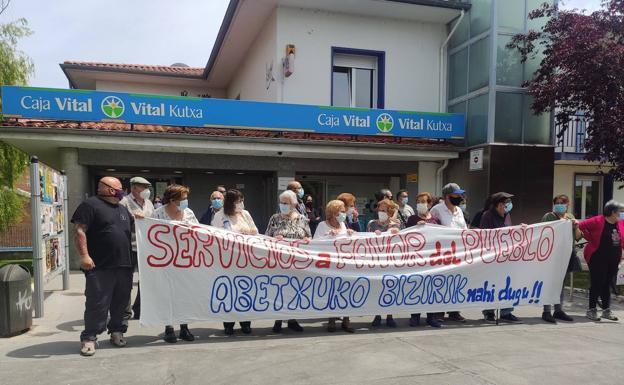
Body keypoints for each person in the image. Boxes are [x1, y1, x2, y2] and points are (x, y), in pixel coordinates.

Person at [71, 176, 134, 356]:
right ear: (107, 188)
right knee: (97, 303)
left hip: (124, 265)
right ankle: (89, 337)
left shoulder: (122, 209)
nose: (121, 191)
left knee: (120, 303)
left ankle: (116, 331)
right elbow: (80, 230)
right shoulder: (90, 205)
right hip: (99, 266)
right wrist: (84, 255)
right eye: (119, 188)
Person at [152, 184, 198, 343]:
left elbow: (198, 231)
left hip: (185, 261)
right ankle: (169, 328)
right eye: (183, 199)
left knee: (184, 295)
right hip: (165, 261)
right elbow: (150, 234)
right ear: (172, 200)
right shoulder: (158, 213)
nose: (186, 202)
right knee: (168, 295)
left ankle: (184, 328)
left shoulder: (189, 213)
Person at [212, 189, 258, 335]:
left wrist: (250, 232)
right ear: (230, 203)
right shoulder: (220, 216)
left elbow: (255, 231)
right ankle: (228, 323)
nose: (241, 204)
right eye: (238, 201)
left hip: (246, 260)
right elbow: (215, 236)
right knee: (229, 291)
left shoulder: (245, 214)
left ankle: (245, 322)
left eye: (242, 200)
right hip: (228, 260)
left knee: (245, 291)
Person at [266, 190, 311, 333]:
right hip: (279, 262)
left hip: (297, 263)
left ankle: (292, 320)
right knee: (279, 291)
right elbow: (266, 237)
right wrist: (275, 238)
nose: (282, 205)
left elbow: (309, 237)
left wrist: (306, 240)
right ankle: (278, 320)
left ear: (293, 204)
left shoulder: (302, 219)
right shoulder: (275, 218)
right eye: (281, 202)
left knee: (293, 291)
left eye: (286, 203)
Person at [312, 200, 356, 332]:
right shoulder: (322, 225)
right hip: (329, 265)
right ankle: (331, 319)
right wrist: (327, 236)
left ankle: (347, 319)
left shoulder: (343, 224)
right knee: (331, 290)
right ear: (332, 213)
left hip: (343, 264)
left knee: (346, 290)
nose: (343, 214)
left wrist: (350, 234)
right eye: (341, 211)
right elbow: (315, 243)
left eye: (344, 211)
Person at [540, 194, 583, 323]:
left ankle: (558, 310)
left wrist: (575, 226)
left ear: (567, 204)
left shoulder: (570, 218)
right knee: (550, 283)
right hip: (552, 255)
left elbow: (578, 237)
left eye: (562, 203)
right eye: (557, 203)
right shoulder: (548, 216)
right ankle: (546, 311)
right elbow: (542, 232)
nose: (559, 205)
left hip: (565, 255)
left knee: (560, 283)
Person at [579, 200, 624, 321]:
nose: (621, 214)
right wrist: (589, 237)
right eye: (619, 212)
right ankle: (591, 310)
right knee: (597, 282)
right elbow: (581, 226)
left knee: (607, 283)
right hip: (597, 258)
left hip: (613, 259)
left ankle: (606, 310)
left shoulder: (620, 224)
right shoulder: (598, 220)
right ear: (612, 212)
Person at [480, 192, 521, 323]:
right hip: (492, 257)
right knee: (491, 284)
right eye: (505, 203)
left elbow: (509, 232)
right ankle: (489, 312)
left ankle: (506, 312)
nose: (508, 206)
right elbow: (485, 236)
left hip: (506, 257)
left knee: (507, 284)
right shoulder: (487, 216)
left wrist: (520, 229)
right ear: (498, 205)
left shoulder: (507, 216)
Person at [429, 183, 467, 323]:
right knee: (441, 282)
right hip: (441, 254)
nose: (460, 197)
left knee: (456, 282)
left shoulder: (459, 211)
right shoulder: (437, 210)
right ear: (447, 196)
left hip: (457, 253)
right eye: (456, 195)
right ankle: (438, 312)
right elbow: (430, 230)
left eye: (460, 194)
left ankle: (454, 311)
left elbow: (464, 230)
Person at [119, 176, 154, 321]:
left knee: (145, 281)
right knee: (126, 281)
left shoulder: (149, 203)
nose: (146, 190)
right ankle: (124, 312)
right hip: (129, 246)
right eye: (143, 187)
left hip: (145, 247)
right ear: (134, 187)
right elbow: (120, 222)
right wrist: (133, 218)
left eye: (147, 187)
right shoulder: (124, 202)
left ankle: (139, 309)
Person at [405, 192, 442, 328]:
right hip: (417, 259)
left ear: (430, 204)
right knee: (417, 287)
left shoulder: (435, 220)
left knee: (432, 288)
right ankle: (415, 316)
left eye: (423, 201)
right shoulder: (412, 219)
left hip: (432, 260)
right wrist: (417, 227)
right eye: (418, 202)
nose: (421, 204)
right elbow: (406, 237)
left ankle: (432, 317)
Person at [367, 199, 401, 328]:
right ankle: (377, 315)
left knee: (390, 288)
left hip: (390, 261)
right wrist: (373, 235)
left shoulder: (396, 225)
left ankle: (390, 316)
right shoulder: (372, 224)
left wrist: (394, 233)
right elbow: (364, 239)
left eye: (384, 211)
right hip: (376, 261)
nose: (380, 212)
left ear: (390, 212)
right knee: (377, 288)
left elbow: (399, 241)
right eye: (379, 210)